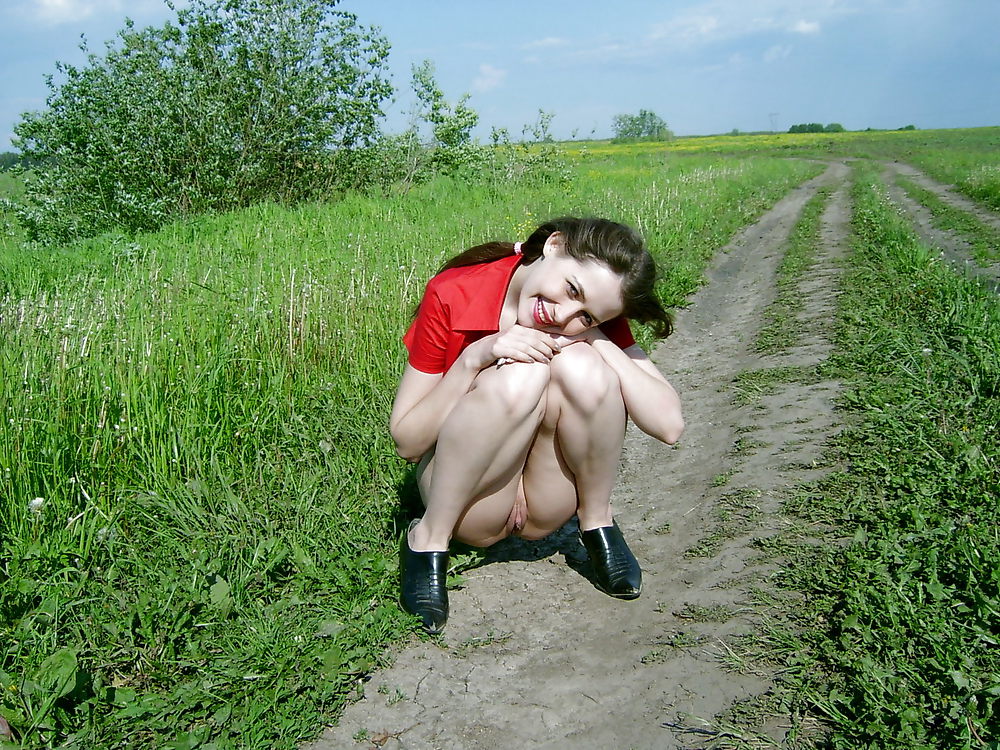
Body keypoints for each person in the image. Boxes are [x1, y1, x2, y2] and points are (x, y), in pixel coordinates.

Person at [390, 216, 684, 633]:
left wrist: (596, 337)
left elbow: (669, 426)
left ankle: (597, 521)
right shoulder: (454, 292)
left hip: (548, 502)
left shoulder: (596, 308)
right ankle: (428, 539)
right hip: (470, 505)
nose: (564, 314)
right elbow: (407, 441)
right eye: (571, 289)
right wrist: (478, 356)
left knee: (584, 367)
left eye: (585, 314)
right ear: (554, 245)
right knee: (521, 374)